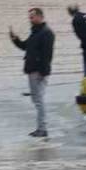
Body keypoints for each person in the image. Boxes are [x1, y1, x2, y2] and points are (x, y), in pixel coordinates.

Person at [9, 7, 55, 138]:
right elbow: (25, 46)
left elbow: (47, 55)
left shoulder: (46, 33)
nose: (30, 19)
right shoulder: (36, 32)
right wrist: (15, 39)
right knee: (37, 99)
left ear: (40, 17)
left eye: (32, 17)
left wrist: (43, 72)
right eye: (29, 17)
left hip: (38, 71)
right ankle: (41, 127)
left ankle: (42, 128)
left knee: (38, 100)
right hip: (32, 69)